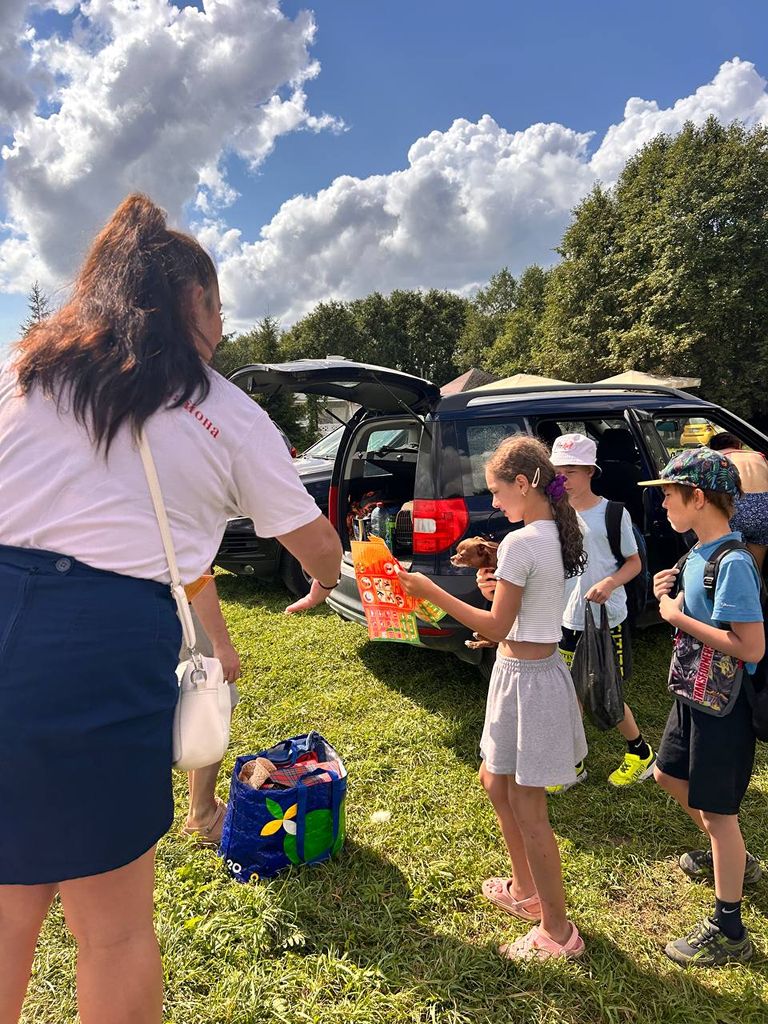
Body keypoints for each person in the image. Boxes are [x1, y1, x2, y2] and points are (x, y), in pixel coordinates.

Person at [0, 193, 342, 1024]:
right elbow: (315, 543)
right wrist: (324, 578)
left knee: (6, 906)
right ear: (193, 301)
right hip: (101, 642)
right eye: (219, 307)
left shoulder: (25, 372)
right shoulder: (222, 409)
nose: (223, 326)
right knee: (112, 930)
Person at [397, 436, 588, 961]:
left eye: (498, 492)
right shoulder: (550, 532)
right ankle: (525, 891)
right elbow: (521, 610)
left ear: (523, 484)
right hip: (522, 671)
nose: (495, 503)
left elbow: (499, 625)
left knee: (529, 808)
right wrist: (495, 594)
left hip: (529, 680)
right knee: (492, 779)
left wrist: (429, 590)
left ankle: (557, 931)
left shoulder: (522, 542)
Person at [644, 448, 764, 967]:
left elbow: (750, 647)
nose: (663, 504)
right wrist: (669, 596)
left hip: (725, 708)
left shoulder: (731, 563)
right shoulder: (696, 552)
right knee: (668, 775)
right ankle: (733, 856)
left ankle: (729, 930)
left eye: (669, 494)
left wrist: (677, 617)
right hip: (693, 694)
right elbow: (694, 611)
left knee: (719, 813)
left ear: (697, 497)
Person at [547, 433, 655, 791]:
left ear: (591, 472)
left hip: (606, 617)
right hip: (567, 616)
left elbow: (634, 562)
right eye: (557, 473)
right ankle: (573, 761)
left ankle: (640, 752)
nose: (563, 480)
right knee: (569, 691)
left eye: (571, 472)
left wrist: (609, 583)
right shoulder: (553, 513)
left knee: (606, 688)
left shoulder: (613, 513)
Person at [182, 578, 242, 846]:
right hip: (185, 604)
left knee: (194, 703)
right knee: (215, 701)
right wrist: (221, 643)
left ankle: (199, 804)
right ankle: (202, 815)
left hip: (155, 603)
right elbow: (196, 573)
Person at [708, 432, 768, 572]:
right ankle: (756, 582)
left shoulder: (717, 458)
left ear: (713, 447)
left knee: (729, 557)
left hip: (736, 505)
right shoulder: (759, 456)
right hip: (764, 506)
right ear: (739, 445)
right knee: (755, 567)